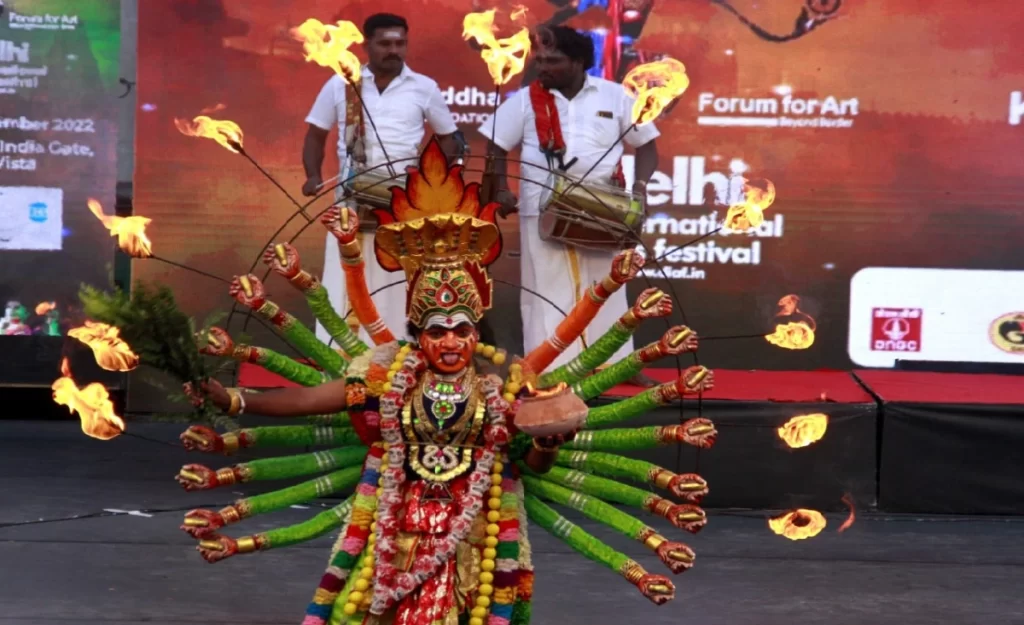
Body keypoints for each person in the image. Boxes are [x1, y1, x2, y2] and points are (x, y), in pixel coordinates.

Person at [168, 138, 714, 625]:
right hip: (394, 526)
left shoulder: (503, 389)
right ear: (416, 334)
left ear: (476, 333)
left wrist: (548, 442)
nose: (449, 341)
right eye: (436, 330)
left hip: (477, 532)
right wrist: (235, 399)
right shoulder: (386, 378)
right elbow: (311, 400)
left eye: (460, 330)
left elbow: (529, 463)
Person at [477, 25, 661, 381]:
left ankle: (616, 367)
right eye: (540, 60)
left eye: (554, 61)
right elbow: (496, 146)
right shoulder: (525, 100)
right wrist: (501, 188)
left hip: (603, 209)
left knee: (606, 287)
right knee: (546, 290)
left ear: (579, 62)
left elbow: (648, 145)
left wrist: (640, 187)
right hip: (542, 211)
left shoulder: (616, 96)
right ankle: (548, 369)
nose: (543, 67)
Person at [302, 12, 461, 347]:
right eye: (385, 43)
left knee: (395, 281)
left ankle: (395, 358)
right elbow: (316, 135)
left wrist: (438, 181)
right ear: (368, 44)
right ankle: (341, 359)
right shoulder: (341, 82)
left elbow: (450, 139)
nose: (394, 50)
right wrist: (313, 176)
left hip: (402, 203)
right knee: (343, 278)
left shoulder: (424, 88)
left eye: (400, 43)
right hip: (350, 200)